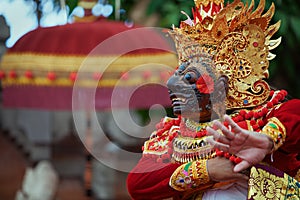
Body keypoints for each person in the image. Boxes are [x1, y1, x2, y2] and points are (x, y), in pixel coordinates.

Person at [127, 0, 300, 199]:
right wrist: (208, 170)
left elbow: (295, 111)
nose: (172, 85)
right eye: (176, 75)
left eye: (190, 78)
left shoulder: (257, 120)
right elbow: (137, 184)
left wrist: (269, 139)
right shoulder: (173, 134)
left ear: (221, 86)